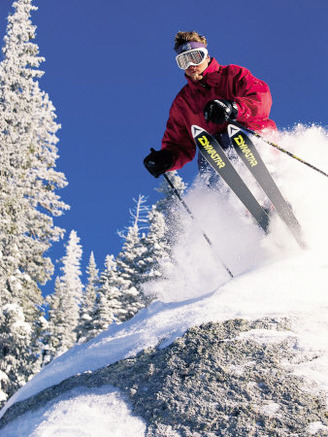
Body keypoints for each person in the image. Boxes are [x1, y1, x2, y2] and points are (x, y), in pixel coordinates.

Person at [144, 30, 277, 179]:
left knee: (232, 138)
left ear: (206, 56)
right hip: (220, 154)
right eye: (184, 61)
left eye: (196, 57)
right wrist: (167, 158)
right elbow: (179, 143)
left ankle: (270, 184)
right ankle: (228, 196)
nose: (191, 65)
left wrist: (234, 108)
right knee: (208, 152)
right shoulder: (183, 103)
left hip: (250, 137)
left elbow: (260, 97)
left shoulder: (232, 74)